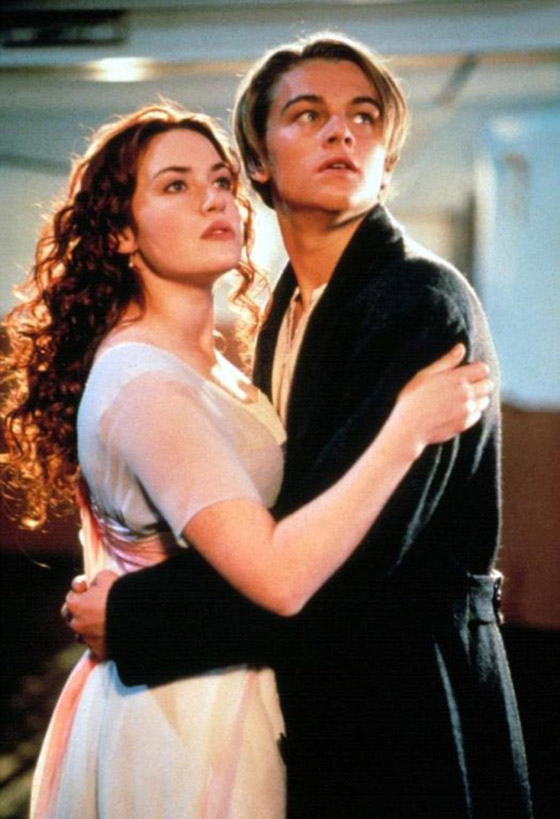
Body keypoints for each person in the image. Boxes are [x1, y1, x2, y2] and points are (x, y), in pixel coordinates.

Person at [62, 35, 532, 818]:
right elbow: (288, 527)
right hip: (316, 712)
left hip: (410, 719)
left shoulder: (418, 301)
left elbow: (349, 566)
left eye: (364, 117)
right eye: (308, 114)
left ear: (386, 158)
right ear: (258, 161)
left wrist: (138, 614)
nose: (341, 131)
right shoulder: (283, 307)